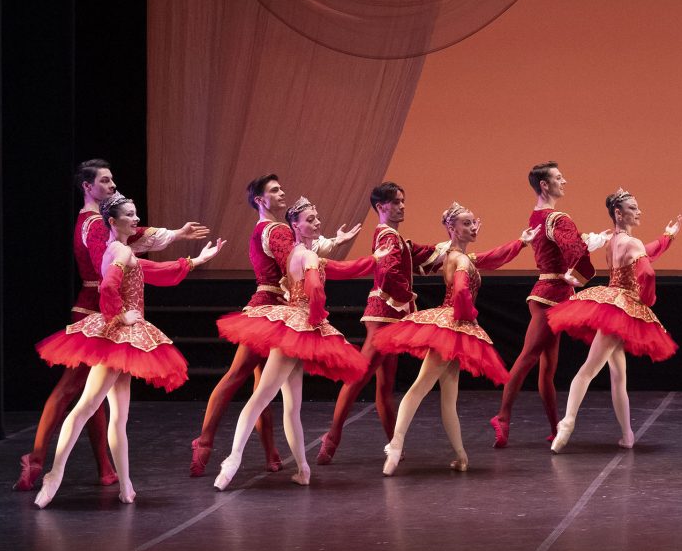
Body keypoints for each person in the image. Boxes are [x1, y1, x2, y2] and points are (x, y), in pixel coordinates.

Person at [19, 159, 207, 491]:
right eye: (105, 181)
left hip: (105, 309)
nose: (112, 185)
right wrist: (120, 313)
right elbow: (113, 266)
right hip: (97, 312)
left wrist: (178, 240)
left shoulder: (103, 224)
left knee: (97, 395)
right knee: (72, 391)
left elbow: (131, 238)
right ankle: (37, 461)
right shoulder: (93, 224)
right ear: (87, 187)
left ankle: (106, 469)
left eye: (112, 180)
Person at [191, 172, 357, 478]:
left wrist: (327, 244)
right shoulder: (277, 230)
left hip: (274, 309)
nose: (282, 194)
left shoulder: (266, 229)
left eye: (282, 189)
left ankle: (267, 452)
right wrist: (322, 254)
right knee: (245, 378)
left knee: (260, 385)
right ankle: (206, 444)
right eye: (275, 191)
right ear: (260, 199)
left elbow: (300, 251)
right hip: (272, 310)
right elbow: (293, 259)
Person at [377, 202, 512, 475]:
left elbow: (490, 259)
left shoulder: (455, 255)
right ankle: (395, 444)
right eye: (465, 223)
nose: (473, 227)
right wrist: (470, 315)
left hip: (452, 326)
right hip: (451, 325)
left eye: (474, 222)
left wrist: (520, 243)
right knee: (420, 387)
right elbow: (461, 293)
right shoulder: (460, 260)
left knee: (449, 398)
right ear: (451, 228)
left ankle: (461, 456)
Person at [314, 181, 443, 463]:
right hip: (383, 316)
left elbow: (417, 254)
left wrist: (452, 247)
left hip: (390, 316)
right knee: (359, 378)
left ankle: (393, 443)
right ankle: (332, 437)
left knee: (385, 386)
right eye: (396, 202)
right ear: (381, 207)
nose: (402, 206)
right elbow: (389, 274)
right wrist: (408, 296)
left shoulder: (395, 238)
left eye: (402, 201)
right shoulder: (386, 237)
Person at [549, 189, 681, 452]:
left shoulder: (614, 241)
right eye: (633, 207)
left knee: (619, 375)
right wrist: (647, 299)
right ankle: (567, 423)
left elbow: (647, 252)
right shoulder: (632, 244)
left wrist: (668, 236)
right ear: (618, 213)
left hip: (613, 304)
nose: (639, 211)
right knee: (588, 370)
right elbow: (648, 272)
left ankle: (627, 435)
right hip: (621, 309)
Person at [488, 161, 596, 447]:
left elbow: (561, 246)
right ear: (544, 185)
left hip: (552, 294)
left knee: (547, 368)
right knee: (528, 358)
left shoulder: (538, 216)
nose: (565, 181)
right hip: (550, 296)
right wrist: (584, 263)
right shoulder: (557, 218)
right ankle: (502, 416)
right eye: (559, 178)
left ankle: (553, 426)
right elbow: (572, 247)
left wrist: (584, 245)